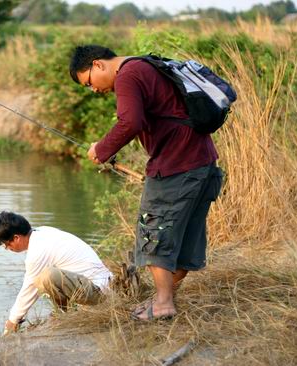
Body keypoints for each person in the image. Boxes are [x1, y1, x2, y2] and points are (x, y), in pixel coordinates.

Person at [68, 45, 223, 321]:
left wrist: (101, 149)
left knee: (153, 235)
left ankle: (163, 305)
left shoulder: (128, 74)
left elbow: (130, 122)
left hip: (176, 167)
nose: (93, 90)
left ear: (98, 64)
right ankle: (160, 299)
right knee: (185, 241)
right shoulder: (147, 64)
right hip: (203, 164)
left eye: (89, 82)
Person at [0, 211, 113, 334]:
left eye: (7, 244)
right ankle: (65, 313)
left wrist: (12, 321)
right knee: (43, 278)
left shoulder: (37, 251)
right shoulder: (43, 231)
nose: (7, 249)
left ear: (16, 238)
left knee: (45, 278)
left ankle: (65, 316)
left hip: (99, 294)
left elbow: (28, 290)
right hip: (100, 284)